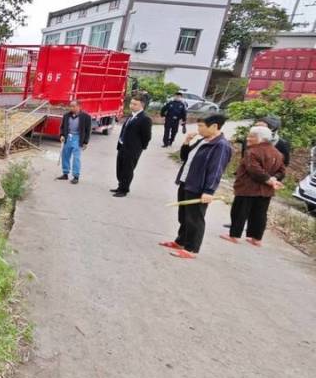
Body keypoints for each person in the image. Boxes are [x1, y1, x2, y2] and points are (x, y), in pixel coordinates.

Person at [161, 114, 233, 259]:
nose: (198, 129)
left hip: (199, 187)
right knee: (184, 216)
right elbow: (185, 157)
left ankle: (191, 248)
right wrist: (186, 142)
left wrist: (209, 191)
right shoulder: (203, 140)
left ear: (214, 127)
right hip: (186, 182)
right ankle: (180, 241)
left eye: (201, 126)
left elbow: (216, 170)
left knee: (195, 218)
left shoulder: (220, 146)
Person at [221, 126, 285, 247]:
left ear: (259, 138)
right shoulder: (277, 153)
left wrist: (268, 180)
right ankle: (256, 239)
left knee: (239, 211)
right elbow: (282, 171)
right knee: (260, 214)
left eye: (251, 136)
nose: (248, 138)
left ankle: (234, 235)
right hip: (266, 191)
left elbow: (254, 169)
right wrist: (274, 179)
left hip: (247, 188)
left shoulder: (252, 151)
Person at [112, 96, 152, 197]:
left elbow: (147, 136)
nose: (131, 106)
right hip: (122, 146)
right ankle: (120, 186)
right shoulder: (131, 116)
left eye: (135, 104)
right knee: (120, 167)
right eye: (131, 103)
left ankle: (124, 190)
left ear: (142, 105)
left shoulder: (145, 119)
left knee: (127, 169)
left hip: (133, 149)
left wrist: (140, 147)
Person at [56, 100, 91, 184]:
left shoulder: (86, 117)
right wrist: (61, 135)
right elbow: (62, 127)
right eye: (70, 106)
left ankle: (76, 176)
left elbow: (88, 130)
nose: (71, 108)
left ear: (79, 106)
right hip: (68, 137)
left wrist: (85, 142)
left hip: (78, 138)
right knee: (65, 156)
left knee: (76, 158)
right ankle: (65, 173)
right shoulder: (66, 116)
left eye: (73, 106)